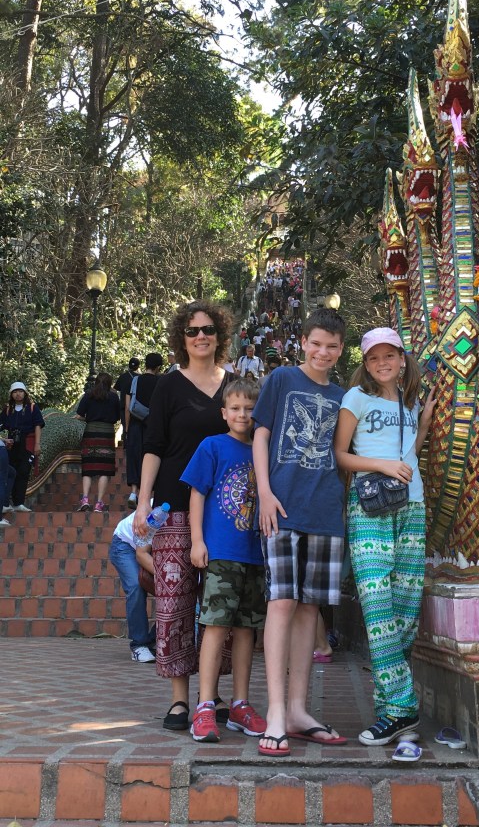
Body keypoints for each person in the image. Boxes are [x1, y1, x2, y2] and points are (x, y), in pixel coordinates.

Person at [132, 300, 233, 732]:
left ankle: (212, 694)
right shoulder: (168, 386)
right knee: (174, 604)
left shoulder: (234, 385)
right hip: (173, 507)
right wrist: (143, 502)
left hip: (224, 512)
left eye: (208, 329)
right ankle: (179, 699)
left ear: (219, 335)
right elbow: (153, 446)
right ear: (182, 338)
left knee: (218, 606)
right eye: (193, 331)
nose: (201, 336)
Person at [252, 308, 348, 756]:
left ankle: (297, 710)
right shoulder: (282, 379)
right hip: (282, 508)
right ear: (303, 343)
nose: (322, 352)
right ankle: (274, 711)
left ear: (341, 350)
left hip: (326, 511)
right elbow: (261, 436)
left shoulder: (345, 397)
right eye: (316, 344)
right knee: (281, 603)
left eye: (332, 346)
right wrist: (264, 493)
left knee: (310, 609)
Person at [334, 327, 436, 746]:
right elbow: (340, 455)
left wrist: (423, 424)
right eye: (374, 358)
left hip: (412, 505)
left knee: (405, 611)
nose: (382, 363)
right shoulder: (356, 398)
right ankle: (403, 708)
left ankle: (389, 709)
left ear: (402, 357)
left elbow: (410, 453)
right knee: (377, 605)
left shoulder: (410, 402)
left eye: (389, 355)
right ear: (365, 363)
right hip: (369, 507)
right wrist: (381, 465)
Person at [183, 379, 266, 743]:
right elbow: (197, 494)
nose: (242, 415)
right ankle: (204, 706)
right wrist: (198, 541)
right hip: (221, 553)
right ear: (224, 413)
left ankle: (240, 705)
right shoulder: (212, 446)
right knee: (215, 626)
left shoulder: (263, 450)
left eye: (249, 408)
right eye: (235, 408)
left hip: (256, 554)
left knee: (247, 629)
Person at [109, 511, 156, 663]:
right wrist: (165, 578)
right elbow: (141, 555)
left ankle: (154, 640)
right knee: (136, 586)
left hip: (149, 548)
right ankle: (139, 645)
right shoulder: (158, 513)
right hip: (125, 544)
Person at [75, 372, 121, 513]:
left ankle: (85, 499)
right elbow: (117, 417)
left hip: (90, 432)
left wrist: (90, 418)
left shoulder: (88, 395)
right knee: (104, 469)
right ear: (109, 383)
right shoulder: (114, 397)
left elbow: (79, 414)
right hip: (106, 433)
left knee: (88, 467)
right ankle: (99, 503)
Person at [125, 353, 163, 510]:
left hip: (136, 422)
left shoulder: (136, 380)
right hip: (153, 425)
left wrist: (126, 428)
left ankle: (133, 492)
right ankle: (146, 495)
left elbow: (129, 406)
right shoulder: (160, 382)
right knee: (150, 456)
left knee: (134, 455)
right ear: (158, 367)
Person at [0, 382, 45, 512]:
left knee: (24, 471)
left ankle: (19, 502)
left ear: (25, 393)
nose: (18, 394)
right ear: (11, 394)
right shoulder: (7, 409)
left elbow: (38, 425)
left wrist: (37, 444)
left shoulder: (32, 408)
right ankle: (5, 503)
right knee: (10, 472)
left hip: (28, 443)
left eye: (20, 391)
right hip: (11, 444)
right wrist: (3, 440)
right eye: (15, 392)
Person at [115, 358, 141, 446]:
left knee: (125, 427)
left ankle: (126, 445)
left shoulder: (123, 376)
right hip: (136, 407)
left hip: (123, 405)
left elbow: (116, 389)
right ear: (138, 366)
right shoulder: (140, 378)